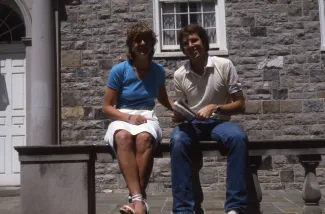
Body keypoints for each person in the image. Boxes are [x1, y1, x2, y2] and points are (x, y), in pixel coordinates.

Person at [170, 24, 248, 214]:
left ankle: (235, 207)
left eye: (194, 40)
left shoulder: (224, 65)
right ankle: (182, 210)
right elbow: (181, 108)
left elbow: (241, 105)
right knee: (177, 139)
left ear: (204, 42)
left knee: (238, 137)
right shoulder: (180, 74)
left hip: (220, 122)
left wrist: (215, 106)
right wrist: (178, 115)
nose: (191, 45)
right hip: (192, 124)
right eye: (186, 43)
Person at [102, 22, 173, 214]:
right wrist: (128, 117)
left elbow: (163, 98)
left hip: (146, 116)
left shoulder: (157, 71)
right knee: (122, 137)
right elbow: (107, 107)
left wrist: (178, 110)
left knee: (144, 139)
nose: (143, 43)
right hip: (122, 115)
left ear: (152, 44)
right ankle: (140, 201)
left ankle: (135, 200)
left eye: (147, 40)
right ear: (131, 44)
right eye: (138, 40)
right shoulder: (119, 70)